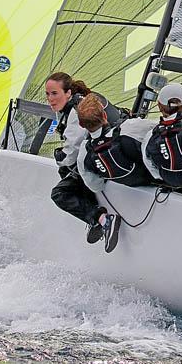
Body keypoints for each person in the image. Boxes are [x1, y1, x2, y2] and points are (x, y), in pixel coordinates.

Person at [45, 72, 124, 249]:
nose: (50, 99)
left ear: (68, 93)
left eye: (54, 93)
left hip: (110, 159)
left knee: (60, 193)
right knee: (69, 172)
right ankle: (94, 214)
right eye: (48, 94)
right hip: (118, 151)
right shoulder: (85, 100)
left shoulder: (75, 111)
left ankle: (102, 219)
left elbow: (71, 152)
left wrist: (59, 158)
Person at [75, 93, 154, 252]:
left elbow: (95, 186)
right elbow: (158, 127)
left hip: (132, 188)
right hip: (156, 179)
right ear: (105, 115)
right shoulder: (129, 128)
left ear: (81, 125)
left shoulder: (84, 153)